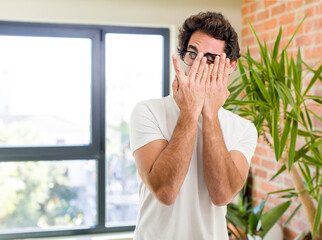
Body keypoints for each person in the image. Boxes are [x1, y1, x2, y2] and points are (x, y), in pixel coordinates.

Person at [130, 11, 258, 240]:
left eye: (210, 58)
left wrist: (209, 112)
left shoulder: (244, 129)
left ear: (230, 66)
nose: (198, 65)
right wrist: (190, 110)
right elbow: (165, 192)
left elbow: (221, 194)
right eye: (192, 54)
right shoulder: (147, 112)